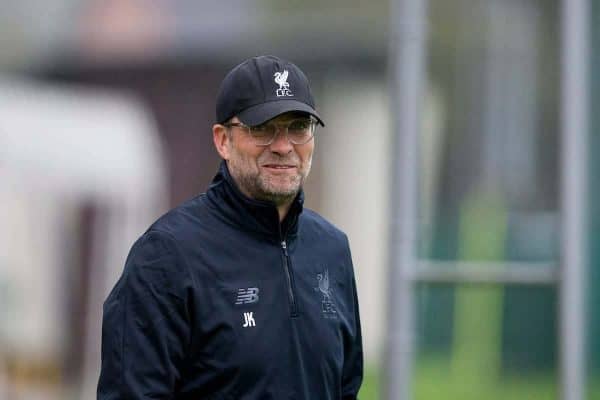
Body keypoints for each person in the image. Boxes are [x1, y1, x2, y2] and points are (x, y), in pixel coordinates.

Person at [97, 55, 363, 399]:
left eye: (298, 127)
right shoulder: (167, 255)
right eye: (263, 128)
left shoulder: (332, 249)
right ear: (223, 140)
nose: (283, 147)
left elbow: (346, 388)